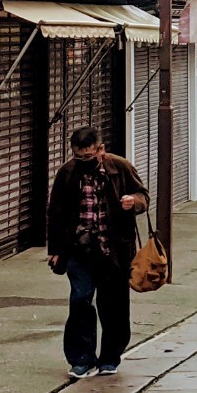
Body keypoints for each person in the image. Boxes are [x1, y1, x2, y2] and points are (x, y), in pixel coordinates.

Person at [46, 127, 150, 379]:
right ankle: (81, 359)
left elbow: (143, 196)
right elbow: (56, 213)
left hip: (114, 249)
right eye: (78, 157)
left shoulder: (120, 168)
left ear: (101, 150)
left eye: (89, 157)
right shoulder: (68, 173)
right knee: (80, 300)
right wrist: (56, 251)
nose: (83, 162)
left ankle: (110, 357)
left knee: (113, 304)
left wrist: (132, 202)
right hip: (79, 249)